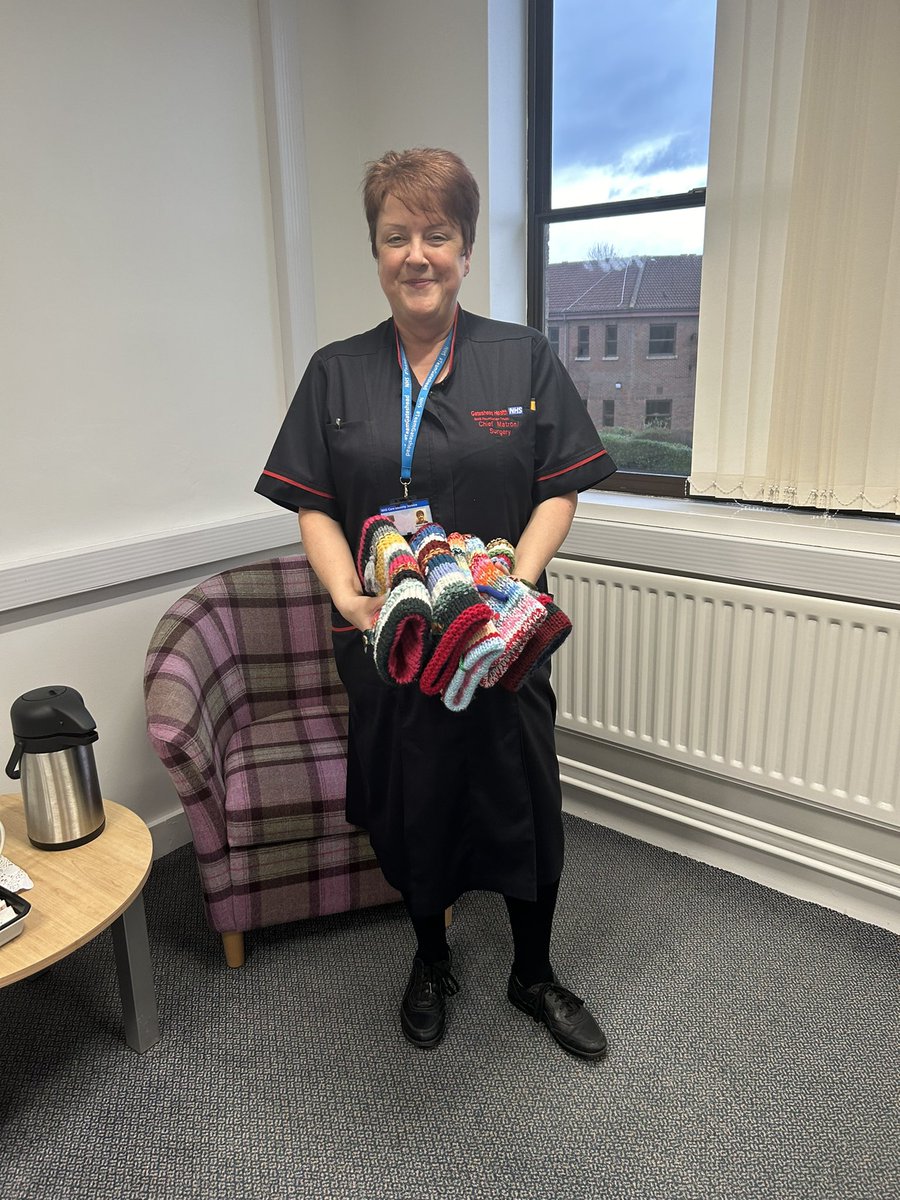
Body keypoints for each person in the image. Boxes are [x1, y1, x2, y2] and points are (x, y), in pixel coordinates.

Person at [255, 148, 616, 1058]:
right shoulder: (335, 374)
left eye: (437, 235)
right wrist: (348, 595)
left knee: (525, 801)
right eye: (396, 236)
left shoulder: (521, 357)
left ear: (464, 248)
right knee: (415, 809)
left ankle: (532, 974)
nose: (418, 254)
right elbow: (314, 505)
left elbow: (559, 489)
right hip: (393, 647)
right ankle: (431, 957)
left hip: (501, 644)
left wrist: (522, 581)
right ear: (376, 251)